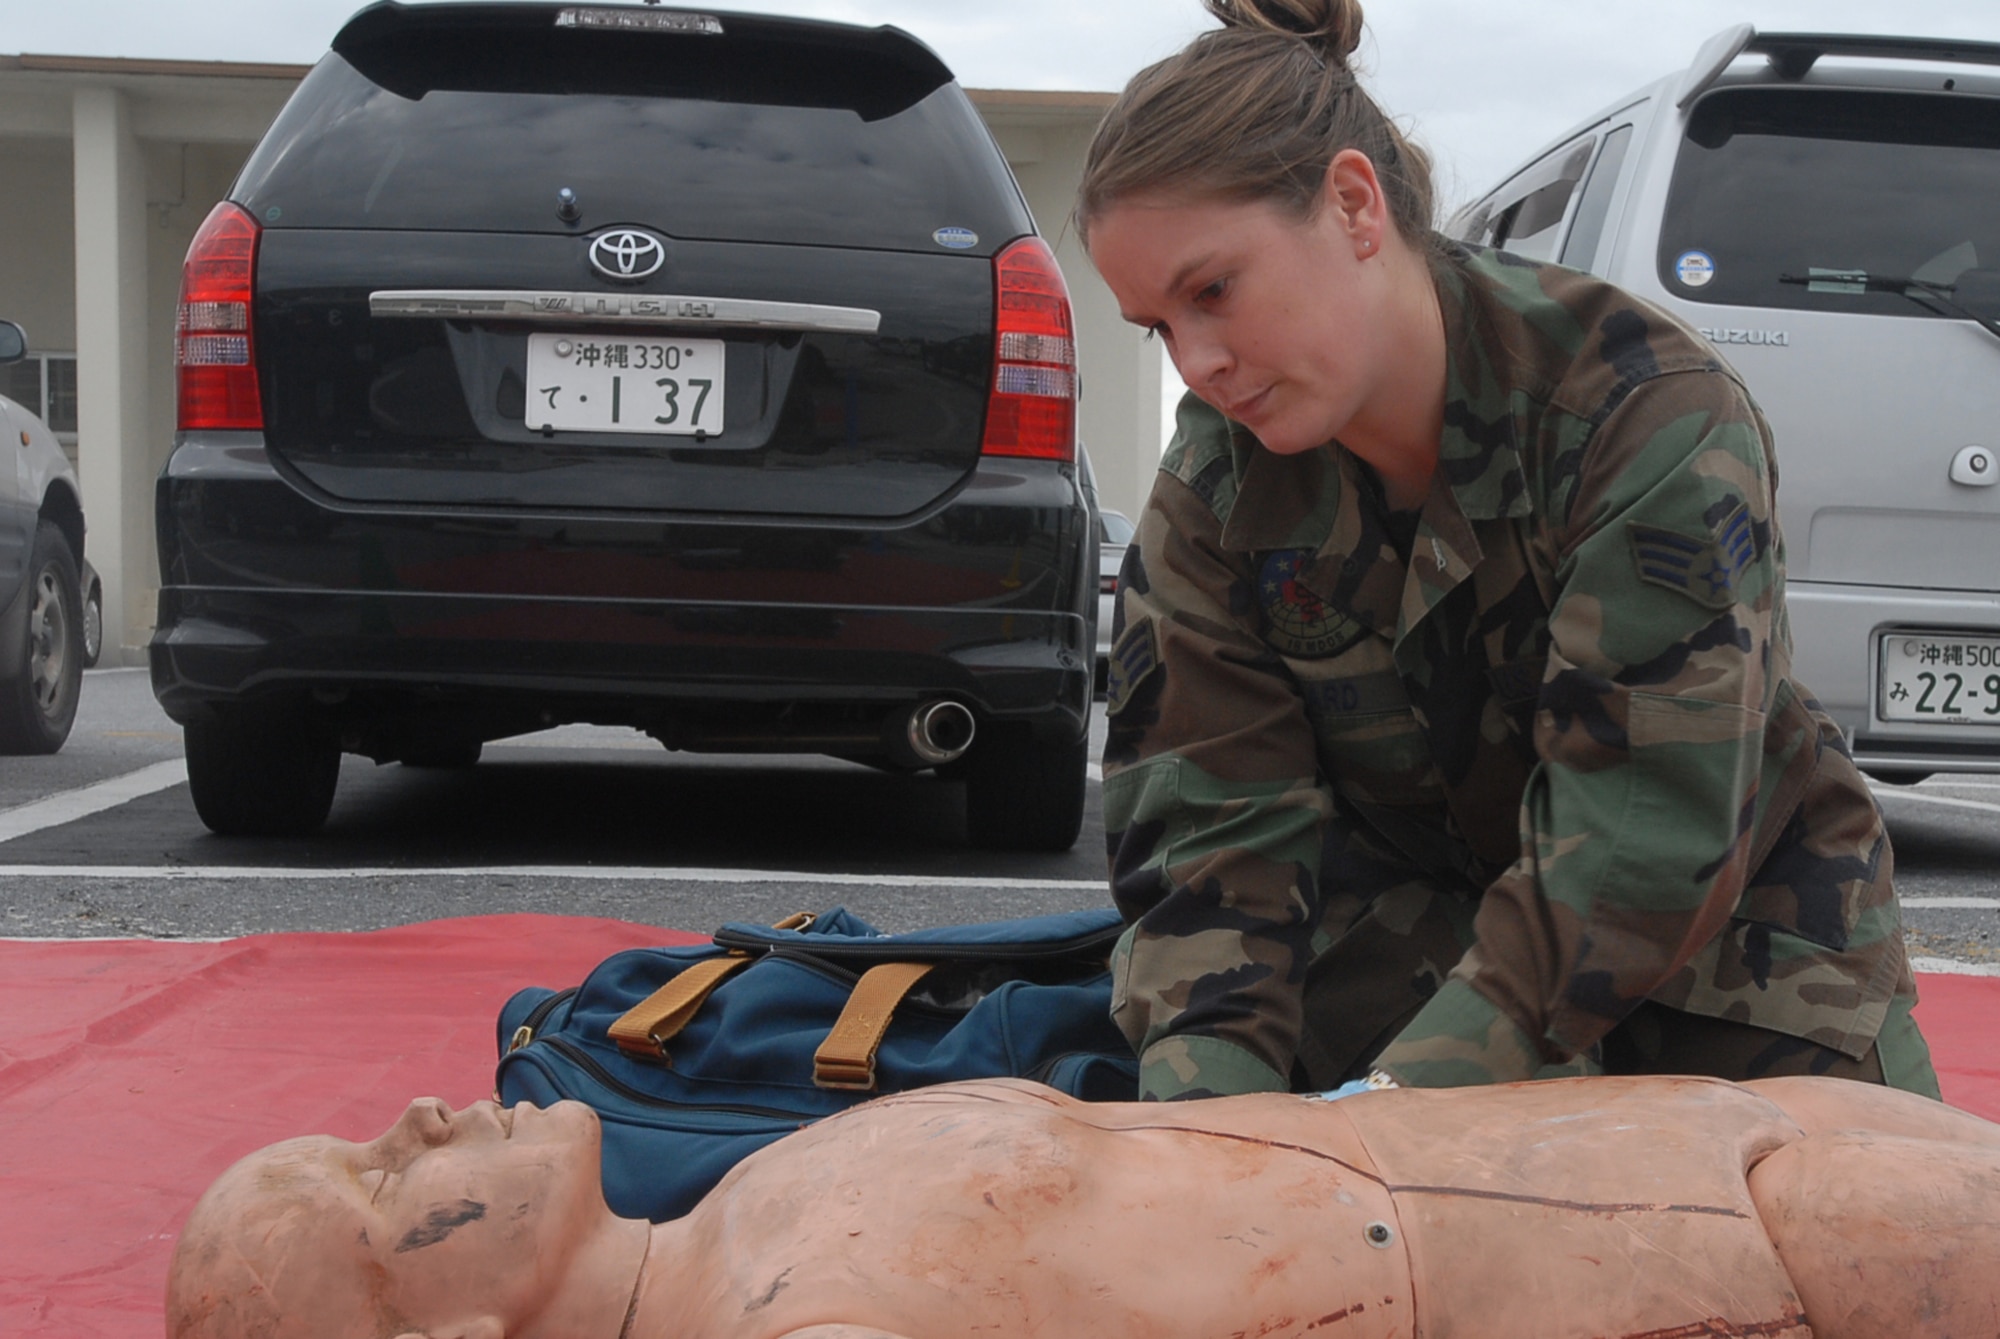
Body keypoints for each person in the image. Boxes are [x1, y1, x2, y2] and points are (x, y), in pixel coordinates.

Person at [1076, 0, 1940, 1102]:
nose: (1196, 360)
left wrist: (1400, 1109)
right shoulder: (1217, 485)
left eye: (1211, 291)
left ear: (1350, 205)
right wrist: (1211, 1131)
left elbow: (1645, 824)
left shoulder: (1636, 412)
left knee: (1877, 1261)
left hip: (1734, 972)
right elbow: (1210, 834)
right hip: (1399, 970)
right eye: (1157, 325)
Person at [168, 1079, 2000, 1339]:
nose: (411, 1117)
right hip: (1619, 1261)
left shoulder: (743, 1210)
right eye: (377, 1179)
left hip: (1578, 1143)